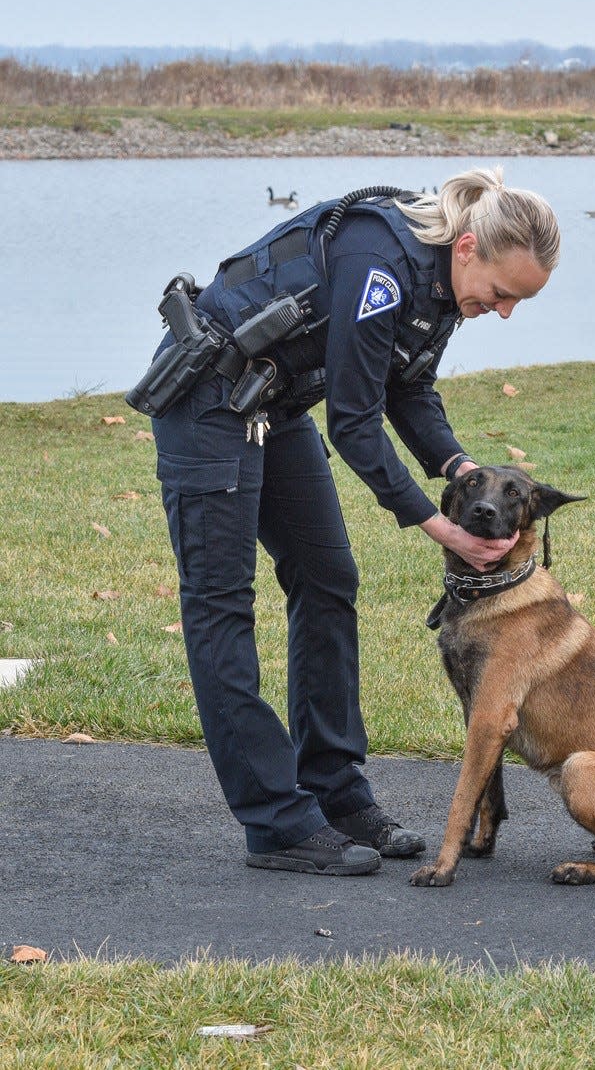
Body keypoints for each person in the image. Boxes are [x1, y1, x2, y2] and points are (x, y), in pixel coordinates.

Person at [143, 168, 560, 876]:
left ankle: (336, 795)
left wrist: (458, 470)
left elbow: (410, 388)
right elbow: (356, 422)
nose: (504, 310)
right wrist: (440, 525)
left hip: (271, 403)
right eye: (502, 294)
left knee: (328, 578)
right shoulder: (379, 264)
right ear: (468, 249)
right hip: (210, 399)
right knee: (220, 607)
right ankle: (276, 823)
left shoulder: (440, 284)